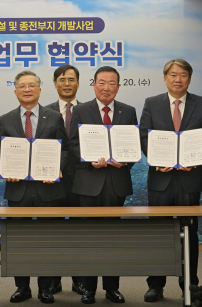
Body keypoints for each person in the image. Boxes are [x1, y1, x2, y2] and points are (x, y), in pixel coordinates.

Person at [139, 58, 202, 305]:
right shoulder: (152, 103)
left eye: (183, 75)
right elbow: (143, 136)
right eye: (173, 75)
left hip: (189, 179)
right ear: (165, 78)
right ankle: (155, 284)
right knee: (158, 233)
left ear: (189, 79)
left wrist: (197, 158)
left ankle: (189, 284)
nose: (178, 79)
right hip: (160, 178)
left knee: (190, 233)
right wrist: (155, 158)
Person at [0, 70, 67, 304]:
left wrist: (57, 168)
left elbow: (64, 149)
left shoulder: (54, 116)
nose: (27, 89)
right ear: (15, 90)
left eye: (31, 85)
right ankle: (22, 287)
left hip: (49, 189)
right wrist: (8, 169)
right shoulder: (6, 119)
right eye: (22, 86)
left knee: (48, 241)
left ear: (39, 89)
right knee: (19, 240)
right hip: (19, 190)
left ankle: (46, 287)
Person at [69, 66, 137, 304]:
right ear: (94, 84)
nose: (106, 87)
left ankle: (112, 288)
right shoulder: (80, 110)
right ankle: (88, 289)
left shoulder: (129, 111)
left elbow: (132, 145)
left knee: (113, 238)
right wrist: (89, 160)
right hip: (88, 183)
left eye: (111, 83)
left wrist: (125, 159)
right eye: (102, 83)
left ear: (118, 86)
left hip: (116, 183)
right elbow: (72, 145)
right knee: (88, 238)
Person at [44, 64, 86, 295]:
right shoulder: (45, 111)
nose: (67, 83)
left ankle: (80, 280)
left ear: (78, 83)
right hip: (51, 181)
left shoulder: (89, 110)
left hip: (84, 180)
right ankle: (53, 280)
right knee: (54, 231)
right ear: (55, 83)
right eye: (62, 79)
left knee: (79, 232)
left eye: (71, 79)